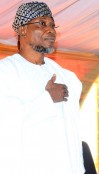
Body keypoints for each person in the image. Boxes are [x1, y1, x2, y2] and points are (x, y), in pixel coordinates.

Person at [0, 2, 84, 174]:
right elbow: (6, 123)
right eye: (42, 23)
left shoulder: (67, 77)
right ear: (23, 30)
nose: (51, 30)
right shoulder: (6, 71)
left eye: (53, 25)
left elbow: (72, 131)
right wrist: (47, 99)